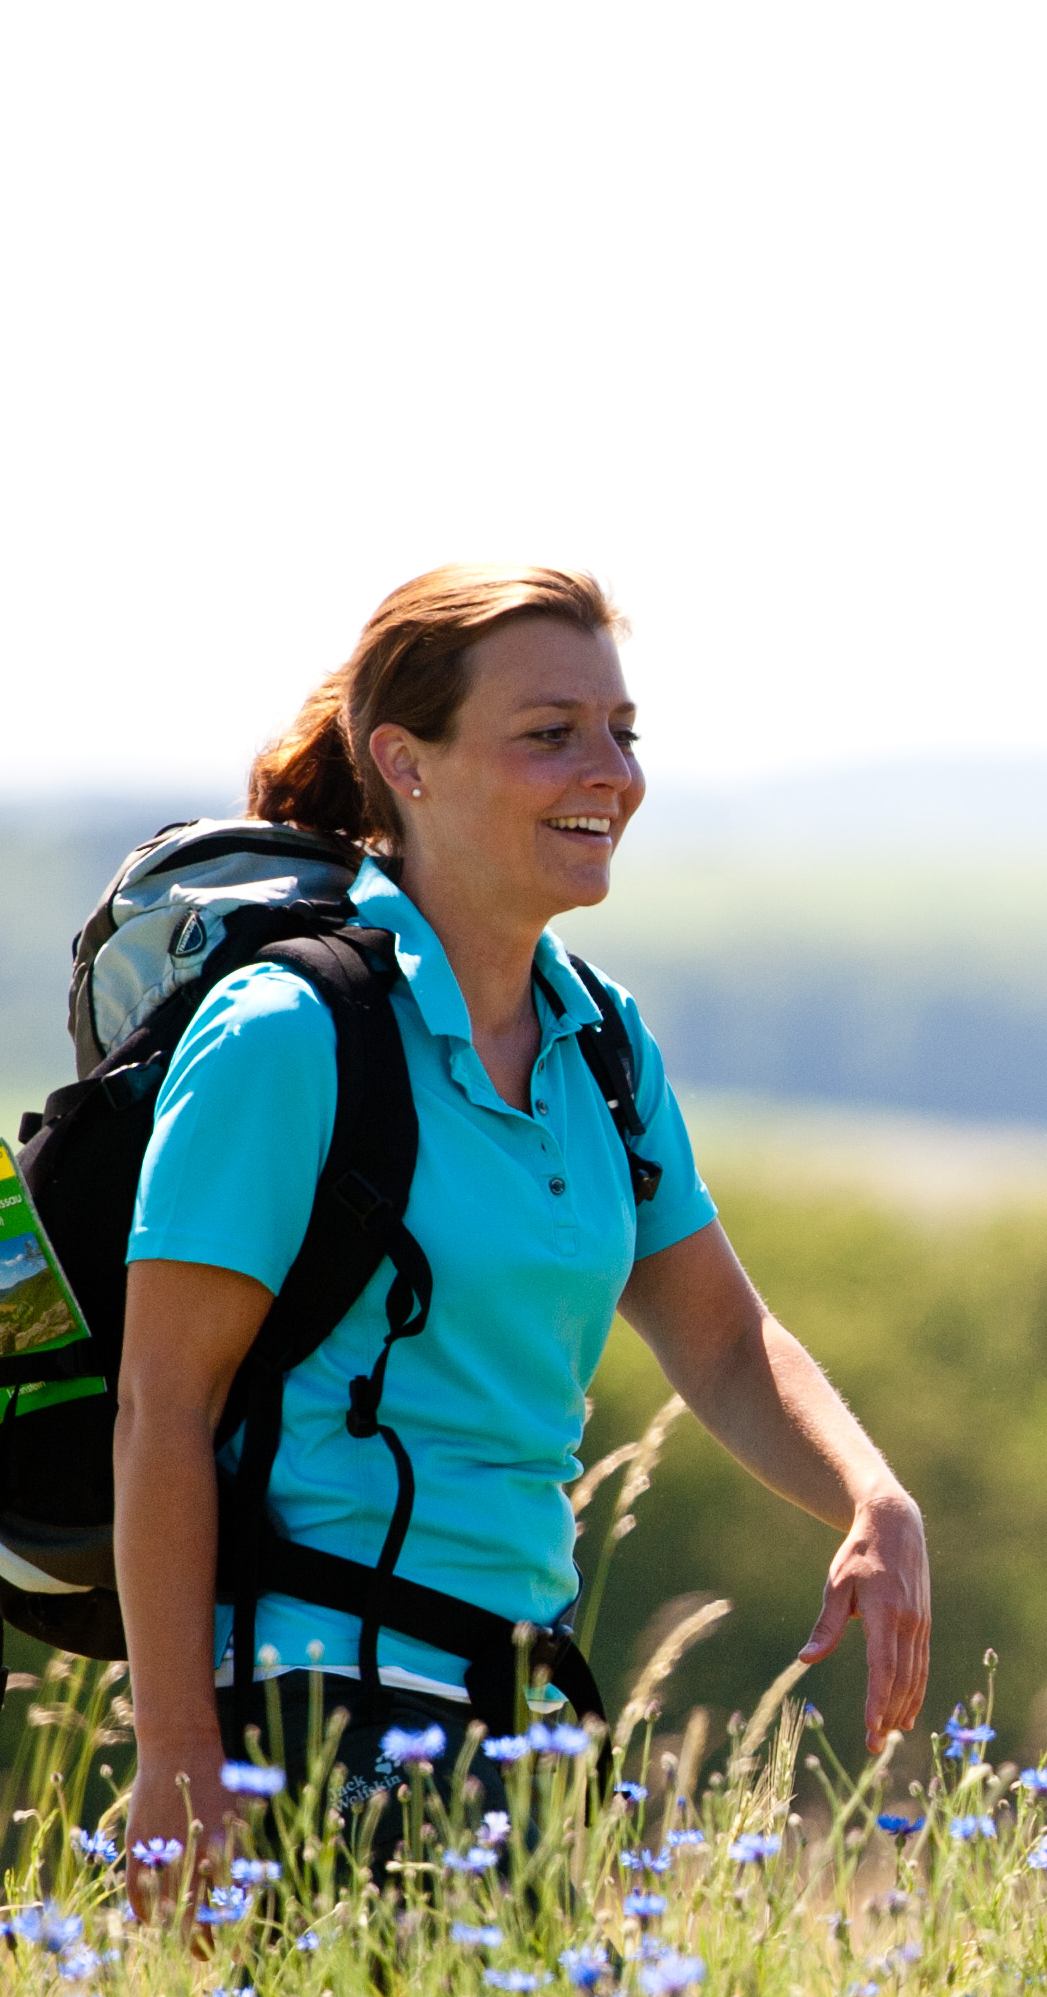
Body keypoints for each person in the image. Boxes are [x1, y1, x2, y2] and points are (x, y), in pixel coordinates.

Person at [113, 565, 931, 1873]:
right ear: (407, 764)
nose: (609, 771)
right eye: (550, 735)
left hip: (529, 1708)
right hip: (320, 1698)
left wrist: (871, 1498)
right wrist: (177, 1758)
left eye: (623, 731)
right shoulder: (287, 1035)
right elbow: (161, 1406)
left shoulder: (599, 1039)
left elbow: (720, 1341)